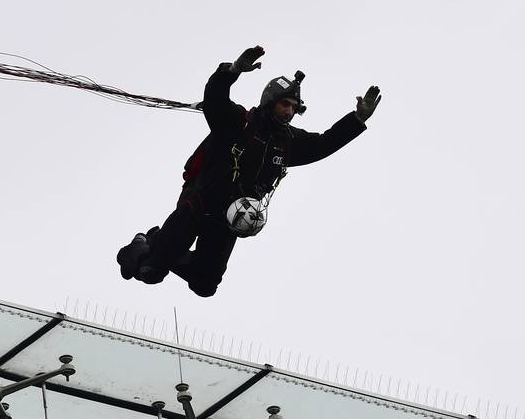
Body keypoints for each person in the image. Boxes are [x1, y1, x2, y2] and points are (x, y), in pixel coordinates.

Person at [116, 45, 382, 297]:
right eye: (284, 104)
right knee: (150, 272)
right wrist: (231, 72)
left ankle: (159, 242)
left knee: (205, 284)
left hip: (227, 221)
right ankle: (142, 246)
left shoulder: (288, 142)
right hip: (198, 205)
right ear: (270, 102)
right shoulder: (238, 123)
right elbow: (215, 100)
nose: (289, 112)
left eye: (293, 107)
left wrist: (357, 120)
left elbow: (324, 143)